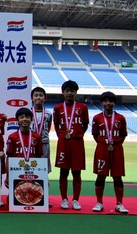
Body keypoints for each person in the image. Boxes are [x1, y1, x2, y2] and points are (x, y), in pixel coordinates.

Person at [53, 80, 89, 210]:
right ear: (63, 92)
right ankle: (63, 199)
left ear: (76, 93)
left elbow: (85, 125)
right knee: (63, 171)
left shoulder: (83, 107)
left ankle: (75, 200)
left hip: (77, 142)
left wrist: (76, 135)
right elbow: (56, 126)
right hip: (63, 142)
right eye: (67, 90)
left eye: (72, 91)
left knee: (77, 172)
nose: (70, 93)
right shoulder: (57, 108)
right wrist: (64, 136)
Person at [91, 91, 129, 214]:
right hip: (102, 148)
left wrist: (114, 143)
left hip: (117, 149)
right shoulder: (97, 117)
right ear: (102, 102)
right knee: (100, 176)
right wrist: (105, 143)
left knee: (117, 176)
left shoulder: (120, 118)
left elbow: (123, 135)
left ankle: (119, 204)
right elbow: (95, 135)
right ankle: (99, 203)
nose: (108, 103)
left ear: (115, 103)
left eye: (111, 101)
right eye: (106, 101)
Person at [6, 107, 43, 182]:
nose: (25, 119)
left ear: (31, 119)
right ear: (18, 120)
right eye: (21, 117)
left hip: (33, 170)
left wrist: (42, 175)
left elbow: (39, 157)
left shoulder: (37, 137)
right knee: (15, 192)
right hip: (16, 170)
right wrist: (8, 175)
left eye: (27, 117)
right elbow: (9, 157)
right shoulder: (12, 137)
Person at [30, 87, 53, 206]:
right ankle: (30, 195)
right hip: (30, 145)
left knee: (43, 172)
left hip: (44, 144)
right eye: (36, 95)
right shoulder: (28, 112)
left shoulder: (48, 113)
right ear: (32, 98)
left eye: (41, 95)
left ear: (45, 98)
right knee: (30, 170)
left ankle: (44, 197)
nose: (38, 97)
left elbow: (47, 128)